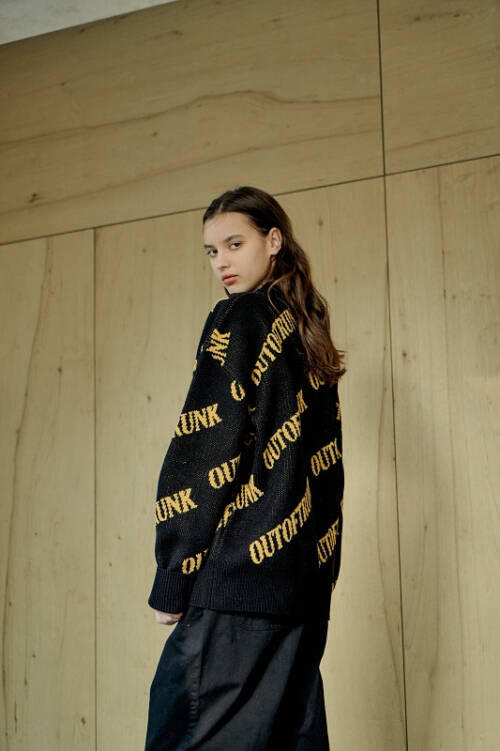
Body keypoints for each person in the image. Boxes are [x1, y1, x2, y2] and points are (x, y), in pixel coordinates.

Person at [144, 185, 346, 750]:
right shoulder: (307, 332)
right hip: (300, 595)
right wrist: (320, 579)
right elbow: (327, 474)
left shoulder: (239, 318)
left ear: (273, 240)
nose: (222, 262)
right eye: (212, 251)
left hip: (238, 589)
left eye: (235, 244)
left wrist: (173, 574)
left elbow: (208, 446)